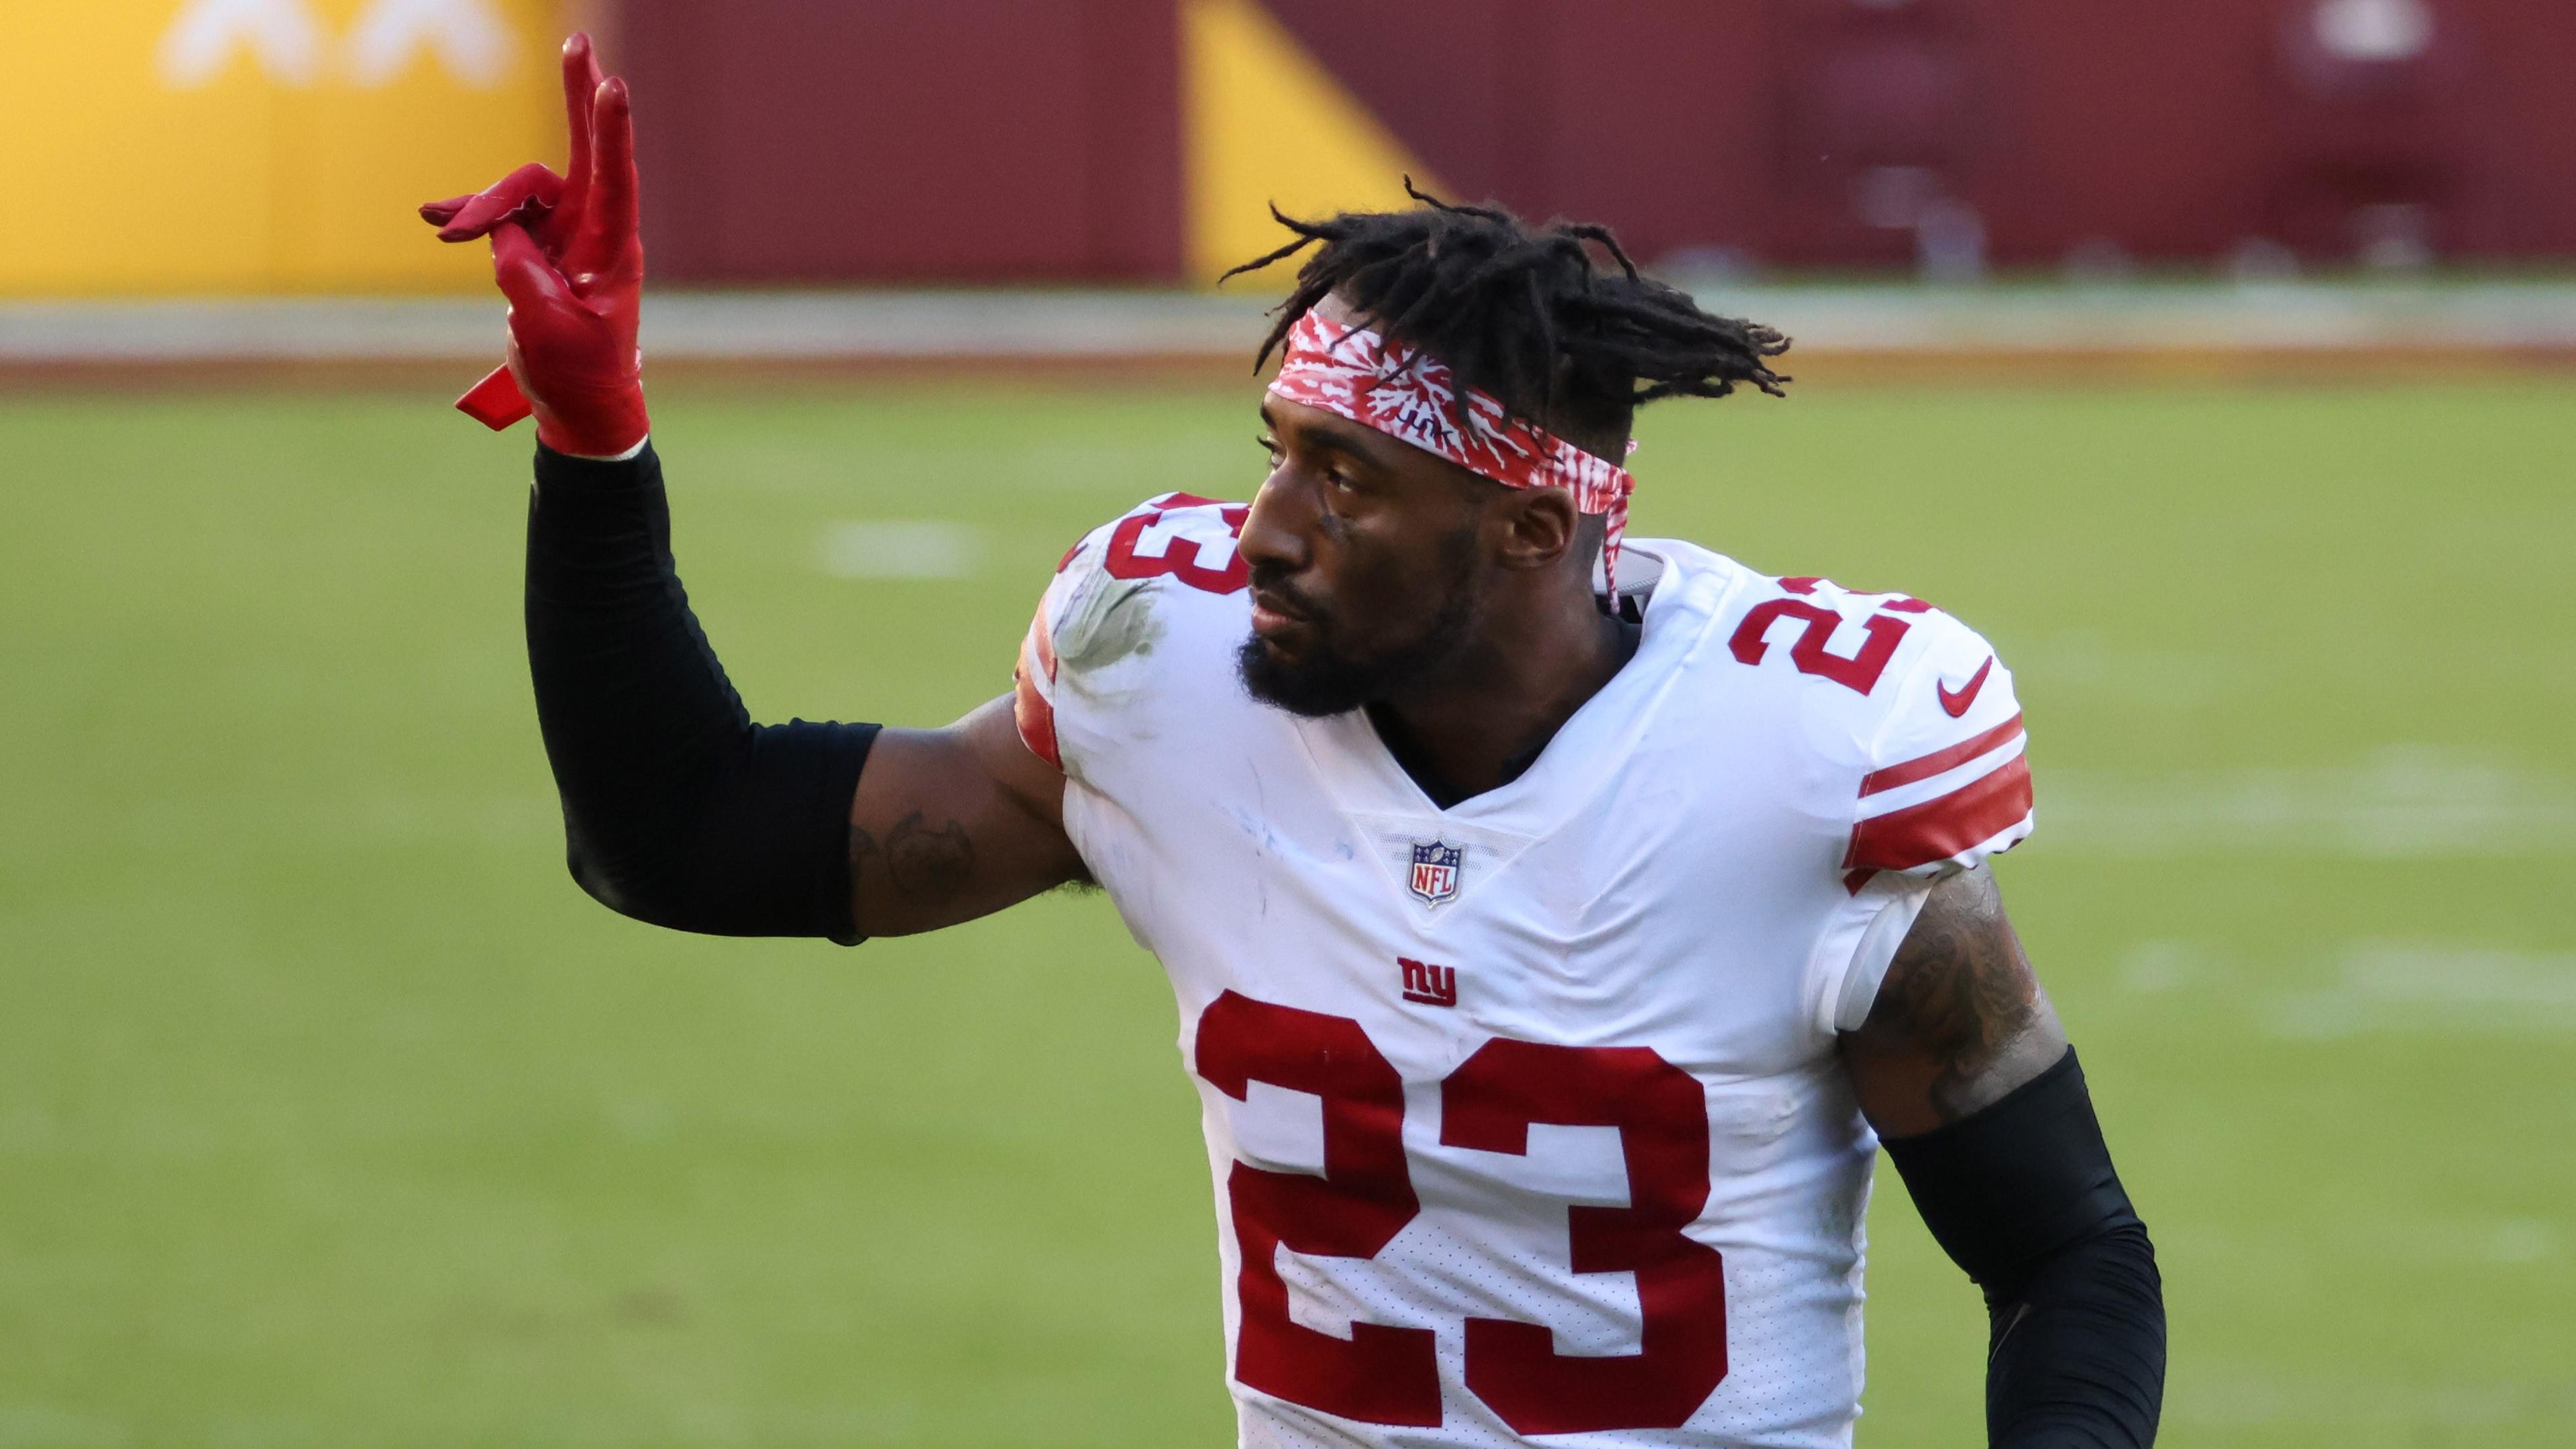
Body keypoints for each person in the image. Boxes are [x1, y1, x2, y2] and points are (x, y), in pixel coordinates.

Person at [423, 37, 2163, 1449]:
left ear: (1530, 533)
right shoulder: (1165, 680)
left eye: (1349, 480)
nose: (1265, 530)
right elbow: (676, 835)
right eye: (1279, 449)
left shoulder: (1795, 762)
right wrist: (595, 442)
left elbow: (2066, 1252)